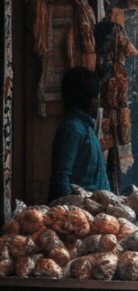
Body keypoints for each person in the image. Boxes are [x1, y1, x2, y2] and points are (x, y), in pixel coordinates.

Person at [49, 66, 110, 202]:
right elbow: (61, 178)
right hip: (79, 213)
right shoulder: (73, 129)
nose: (98, 102)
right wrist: (70, 213)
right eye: (96, 97)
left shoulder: (86, 127)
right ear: (91, 100)